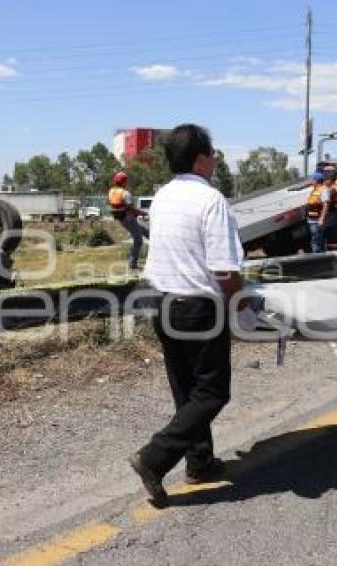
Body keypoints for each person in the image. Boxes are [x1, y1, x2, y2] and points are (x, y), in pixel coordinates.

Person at [128, 124, 244, 506]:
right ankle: (154, 457)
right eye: (212, 154)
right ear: (199, 158)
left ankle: (200, 464)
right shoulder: (211, 201)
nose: (214, 161)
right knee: (212, 393)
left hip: (164, 303)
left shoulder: (161, 196)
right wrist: (240, 302)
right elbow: (224, 268)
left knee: (187, 392)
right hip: (200, 308)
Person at [108, 171, 149, 269]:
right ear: (124, 182)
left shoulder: (111, 191)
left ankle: (155, 242)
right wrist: (142, 213)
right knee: (138, 240)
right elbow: (131, 208)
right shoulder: (125, 193)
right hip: (129, 218)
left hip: (121, 219)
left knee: (145, 232)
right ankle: (132, 263)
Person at [305, 165, 337, 253]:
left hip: (329, 215)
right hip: (313, 219)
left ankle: (321, 259)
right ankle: (322, 257)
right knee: (317, 240)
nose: (311, 181)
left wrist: (321, 219)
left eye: (313, 179)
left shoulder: (327, 189)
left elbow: (326, 204)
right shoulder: (314, 190)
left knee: (320, 240)